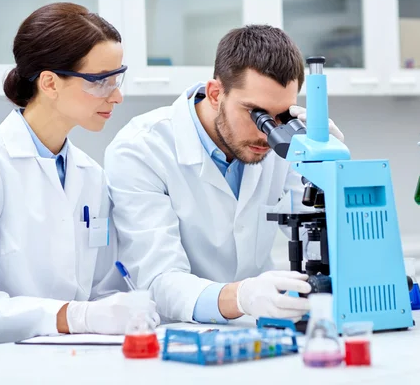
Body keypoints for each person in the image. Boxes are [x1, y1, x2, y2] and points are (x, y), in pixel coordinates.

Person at [0, 2, 159, 352]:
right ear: (49, 82)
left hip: (57, 359)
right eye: (101, 81)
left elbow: (101, 289)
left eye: (117, 78)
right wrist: (73, 317)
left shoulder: (90, 177)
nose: (117, 95)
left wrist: (131, 310)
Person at [104, 25, 344, 324]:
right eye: (256, 114)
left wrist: (336, 175)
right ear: (216, 93)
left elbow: (326, 237)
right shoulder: (141, 149)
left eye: (280, 117)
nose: (267, 134)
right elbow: (158, 280)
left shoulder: (283, 145)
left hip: (256, 329)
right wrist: (241, 296)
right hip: (178, 336)